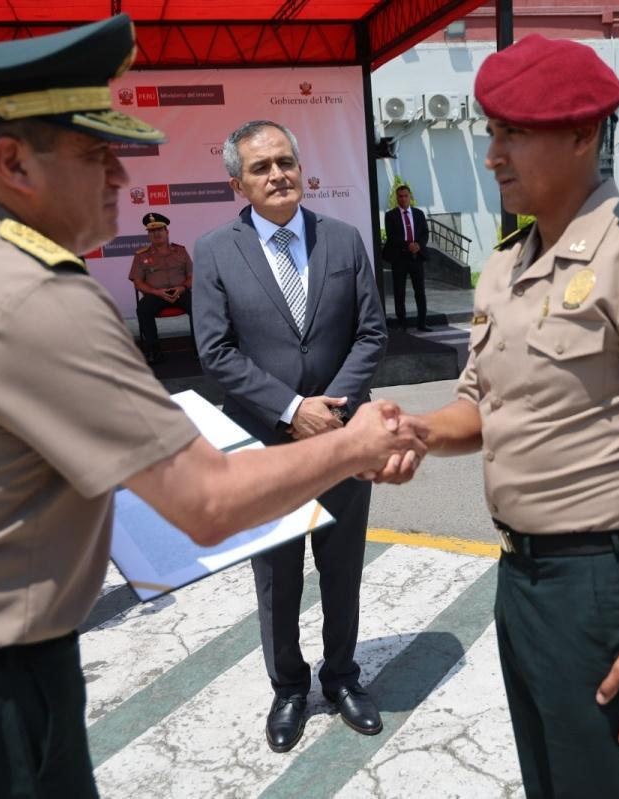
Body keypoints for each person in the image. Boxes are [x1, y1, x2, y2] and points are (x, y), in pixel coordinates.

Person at [0, 17, 422, 798]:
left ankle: (336, 672)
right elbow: (208, 504)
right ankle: (290, 682)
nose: (121, 178)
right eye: (95, 153)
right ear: (10, 161)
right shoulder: (33, 293)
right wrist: (358, 442)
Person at [372, 35, 619, 798]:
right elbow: (484, 404)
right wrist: (421, 432)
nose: (493, 154)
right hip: (519, 578)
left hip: (602, 585)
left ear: (581, 135)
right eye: (491, 132)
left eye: (514, 132)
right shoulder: (506, 266)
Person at [193, 120, 389, 753]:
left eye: (285, 161)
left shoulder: (345, 239)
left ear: (301, 169)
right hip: (264, 446)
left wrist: (330, 410)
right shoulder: (216, 252)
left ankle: (342, 678)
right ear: (238, 183)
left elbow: (371, 334)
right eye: (261, 167)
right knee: (278, 576)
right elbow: (216, 352)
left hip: (343, 438)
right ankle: (288, 688)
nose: (277, 174)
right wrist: (289, 408)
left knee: (343, 567)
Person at [129, 211, 192, 364]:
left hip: (180, 292)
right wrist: (156, 292)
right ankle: (154, 350)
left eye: (159, 230)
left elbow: (192, 276)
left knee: (199, 306)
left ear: (167, 231)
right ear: (148, 235)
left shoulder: (181, 251)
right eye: (152, 231)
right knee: (143, 309)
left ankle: (200, 348)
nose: (156, 234)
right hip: (155, 295)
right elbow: (137, 282)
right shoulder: (141, 256)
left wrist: (182, 287)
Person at [383, 184, 430, 331]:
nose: (403, 199)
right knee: (399, 291)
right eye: (400, 196)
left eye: (406, 196)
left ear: (410, 197)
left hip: (416, 256)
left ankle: (422, 323)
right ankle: (402, 324)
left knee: (420, 291)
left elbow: (425, 233)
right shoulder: (390, 216)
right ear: (397, 198)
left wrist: (418, 245)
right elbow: (392, 237)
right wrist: (407, 245)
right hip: (400, 258)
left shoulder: (419, 214)